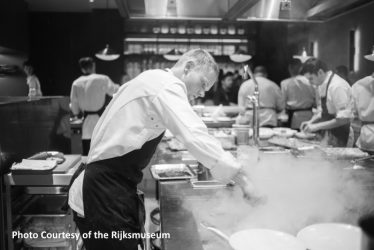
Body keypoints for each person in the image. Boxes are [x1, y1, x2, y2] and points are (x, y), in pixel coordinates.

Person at [68, 49, 258, 250]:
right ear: (188, 67)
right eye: (203, 84)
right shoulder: (166, 84)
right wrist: (242, 179)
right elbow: (193, 133)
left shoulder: (154, 79)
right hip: (103, 192)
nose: (202, 93)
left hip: (108, 188)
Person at [69, 57, 119, 155]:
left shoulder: (76, 83)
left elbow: (74, 103)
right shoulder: (102, 79)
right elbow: (115, 91)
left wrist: (76, 113)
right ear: (93, 66)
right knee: (102, 151)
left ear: (82, 68)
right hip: (101, 120)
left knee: (87, 152)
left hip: (85, 122)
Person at [300, 58, 353, 147]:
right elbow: (323, 111)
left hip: (342, 133)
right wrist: (311, 122)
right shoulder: (322, 84)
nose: (310, 82)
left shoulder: (337, 86)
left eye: (311, 79)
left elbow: (343, 119)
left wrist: (316, 126)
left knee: (338, 161)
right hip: (329, 133)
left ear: (320, 72)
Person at [281, 58, 316, 130]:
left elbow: (282, 103)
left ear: (289, 68)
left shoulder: (285, 83)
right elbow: (316, 99)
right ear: (301, 68)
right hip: (309, 115)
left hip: (294, 116)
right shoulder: (310, 81)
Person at [352, 71, 374, 154]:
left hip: (366, 139)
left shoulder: (358, 85)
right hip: (366, 139)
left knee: (366, 166)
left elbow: (350, 114)